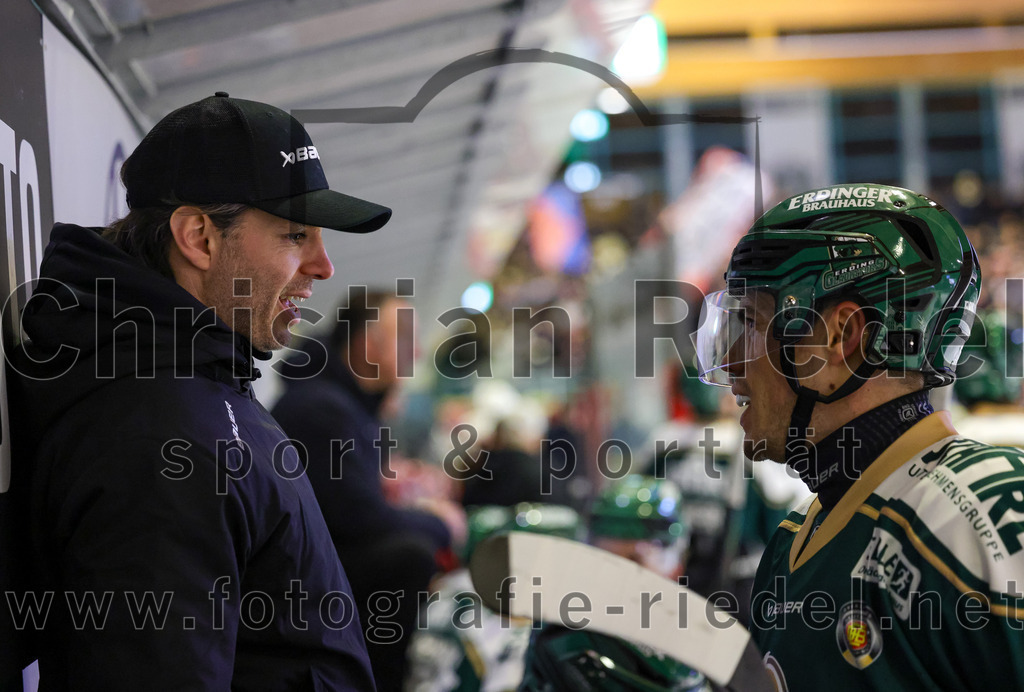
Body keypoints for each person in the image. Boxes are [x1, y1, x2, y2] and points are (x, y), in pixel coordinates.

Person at [8, 93, 392, 690]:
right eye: (296, 235)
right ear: (199, 237)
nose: (323, 266)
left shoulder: (198, 384)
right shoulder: (161, 438)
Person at [696, 183, 1024, 690]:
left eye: (752, 323)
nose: (734, 363)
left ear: (841, 337)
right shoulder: (791, 540)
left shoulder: (975, 515)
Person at [272, 289, 466, 692]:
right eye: (405, 339)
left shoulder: (341, 403)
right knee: (409, 553)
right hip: (292, 588)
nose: (416, 352)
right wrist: (440, 523)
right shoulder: (323, 408)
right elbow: (362, 519)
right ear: (366, 344)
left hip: (312, 566)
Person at [519, 475, 707, 692]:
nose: (624, 579)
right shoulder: (565, 630)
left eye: (635, 563)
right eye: (612, 562)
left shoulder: (691, 633)